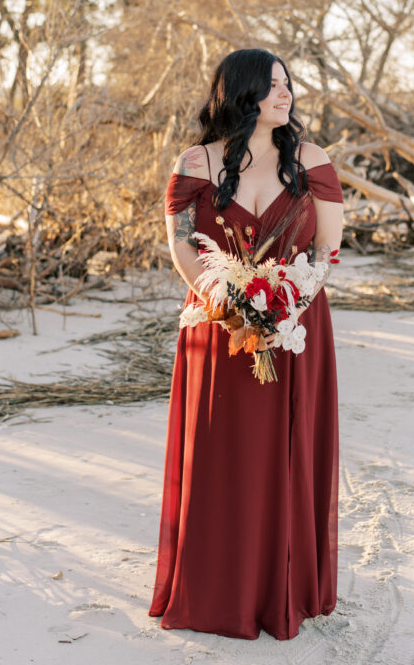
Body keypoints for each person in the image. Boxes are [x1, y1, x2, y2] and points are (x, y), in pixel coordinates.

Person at [148, 48, 344, 640]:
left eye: (288, 85)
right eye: (272, 87)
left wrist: (285, 308)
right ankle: (215, 589)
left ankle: (279, 589)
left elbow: (326, 251)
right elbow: (183, 246)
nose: (285, 96)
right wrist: (227, 303)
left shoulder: (312, 160)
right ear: (241, 94)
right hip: (216, 325)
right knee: (218, 454)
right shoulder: (195, 162)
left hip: (296, 326)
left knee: (285, 457)